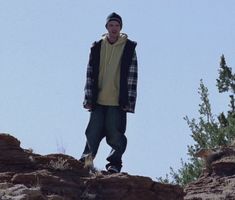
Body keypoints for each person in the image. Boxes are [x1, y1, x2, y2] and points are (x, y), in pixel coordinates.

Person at [80, 12, 138, 173]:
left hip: (117, 102)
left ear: (120, 28)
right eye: (111, 25)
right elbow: (90, 73)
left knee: (116, 135)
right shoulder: (97, 46)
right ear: (106, 27)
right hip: (98, 100)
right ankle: (85, 163)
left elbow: (133, 76)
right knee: (92, 133)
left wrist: (129, 102)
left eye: (117, 25)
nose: (114, 28)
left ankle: (114, 165)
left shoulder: (129, 48)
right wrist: (88, 98)